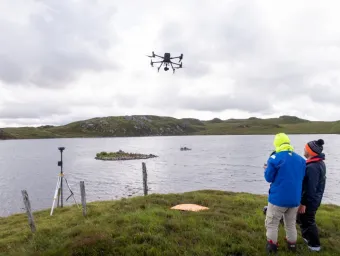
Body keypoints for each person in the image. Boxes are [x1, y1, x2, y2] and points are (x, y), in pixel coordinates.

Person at [263, 133, 306, 253]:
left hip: (278, 199)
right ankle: (292, 246)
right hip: (295, 199)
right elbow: (301, 177)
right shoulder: (301, 160)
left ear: (276, 143)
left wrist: (266, 169)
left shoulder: (274, 158)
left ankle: (272, 248)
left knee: (272, 223)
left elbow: (269, 178)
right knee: (291, 224)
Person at [297, 139, 326, 252]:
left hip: (311, 200)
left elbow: (310, 188)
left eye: (305, 148)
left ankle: (315, 245)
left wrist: (304, 203)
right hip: (314, 199)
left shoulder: (312, 167)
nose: (304, 149)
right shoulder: (318, 163)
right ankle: (306, 237)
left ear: (310, 151)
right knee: (303, 219)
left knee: (309, 220)